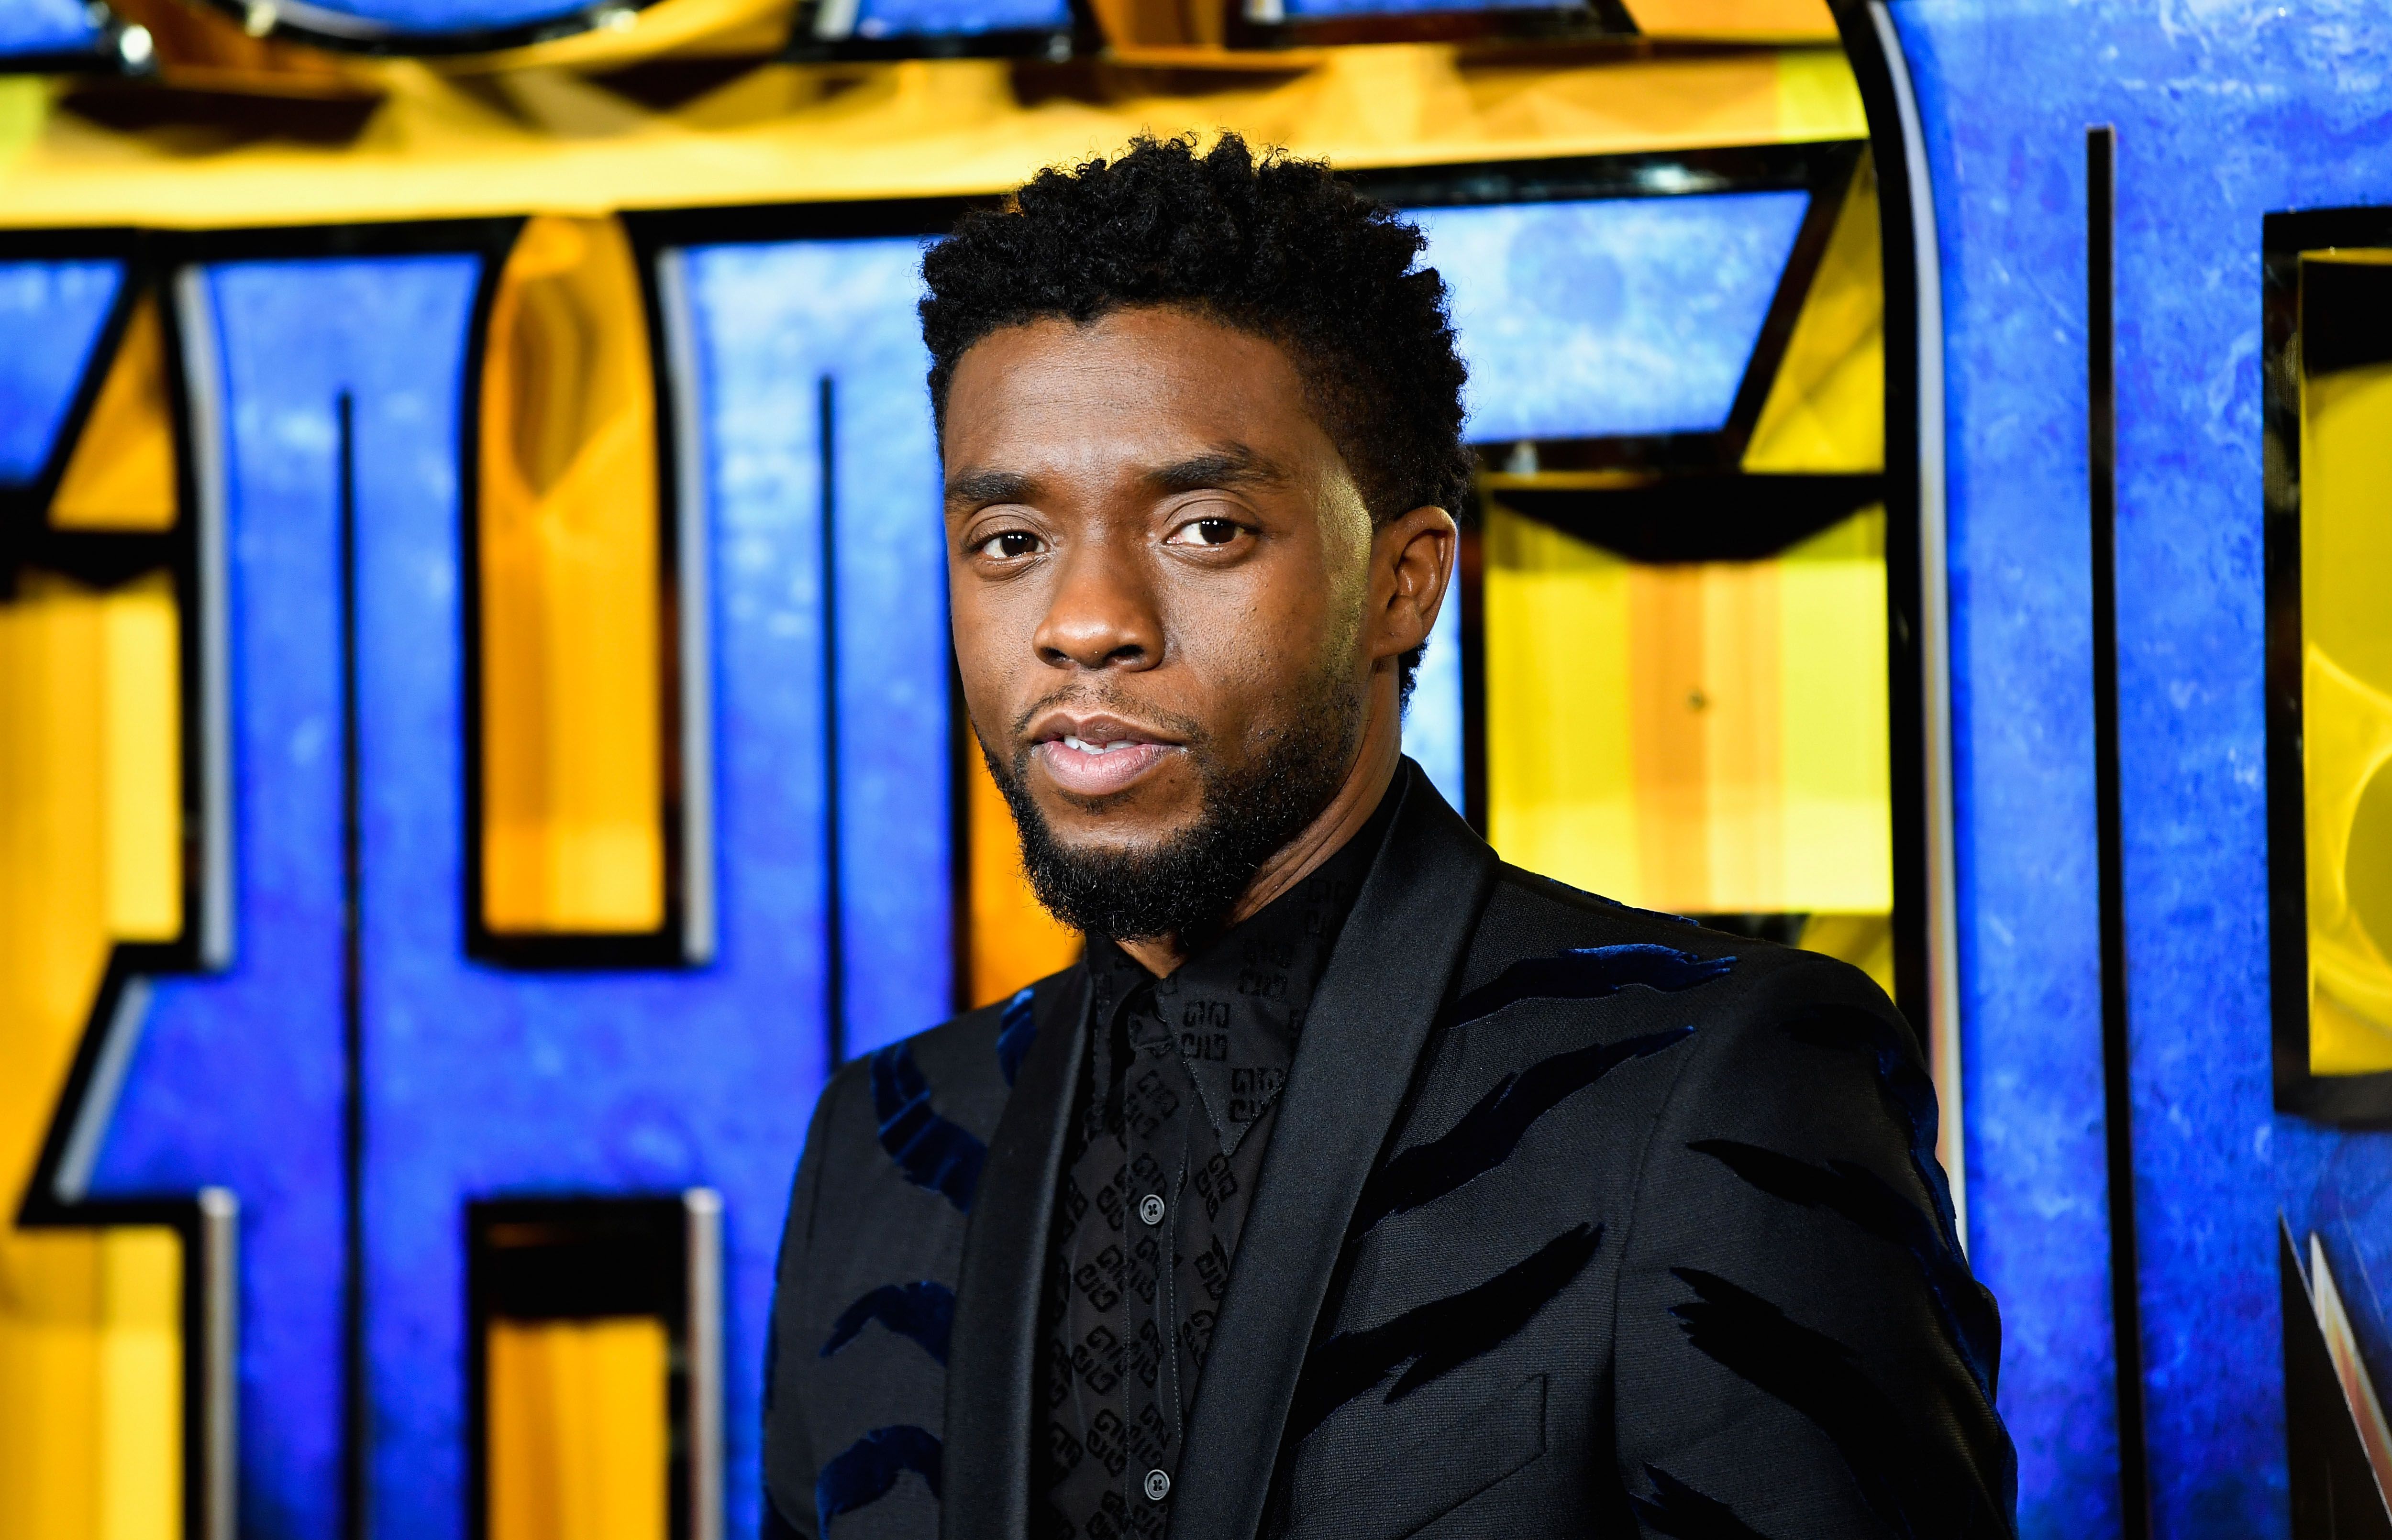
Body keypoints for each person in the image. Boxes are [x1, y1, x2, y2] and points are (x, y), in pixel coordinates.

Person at [762, 132, 2014, 1540]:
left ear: (1404, 582)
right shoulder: (882, 1148)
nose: (1085, 620)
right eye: (1010, 540)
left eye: (1205, 527)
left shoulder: (1721, 1084)